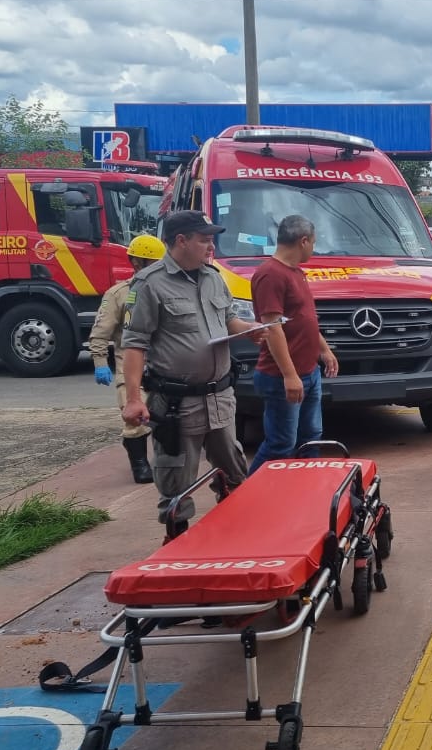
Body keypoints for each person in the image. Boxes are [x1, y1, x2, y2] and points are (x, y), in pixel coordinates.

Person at [120, 210, 267, 531]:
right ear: (181, 241)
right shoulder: (149, 284)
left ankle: (237, 539)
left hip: (220, 399)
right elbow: (134, 344)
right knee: (177, 484)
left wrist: (249, 329)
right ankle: (177, 543)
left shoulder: (213, 277)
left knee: (235, 475)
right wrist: (133, 399)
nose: (211, 246)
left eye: (212, 239)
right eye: (204, 239)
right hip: (178, 405)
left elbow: (228, 319)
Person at [248, 214, 338, 472]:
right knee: (281, 443)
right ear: (303, 240)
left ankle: (305, 492)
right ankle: (249, 496)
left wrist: (324, 350)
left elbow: (304, 319)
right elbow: (272, 327)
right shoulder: (270, 275)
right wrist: (289, 375)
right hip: (281, 376)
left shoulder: (296, 273)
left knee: (311, 438)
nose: (313, 248)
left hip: (309, 372)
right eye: (313, 243)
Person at [89, 233, 167, 484]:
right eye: (152, 263)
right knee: (136, 419)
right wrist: (100, 364)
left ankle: (166, 460)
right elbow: (101, 333)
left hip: (163, 364)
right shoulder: (119, 294)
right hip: (130, 366)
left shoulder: (168, 290)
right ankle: (140, 465)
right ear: (136, 263)